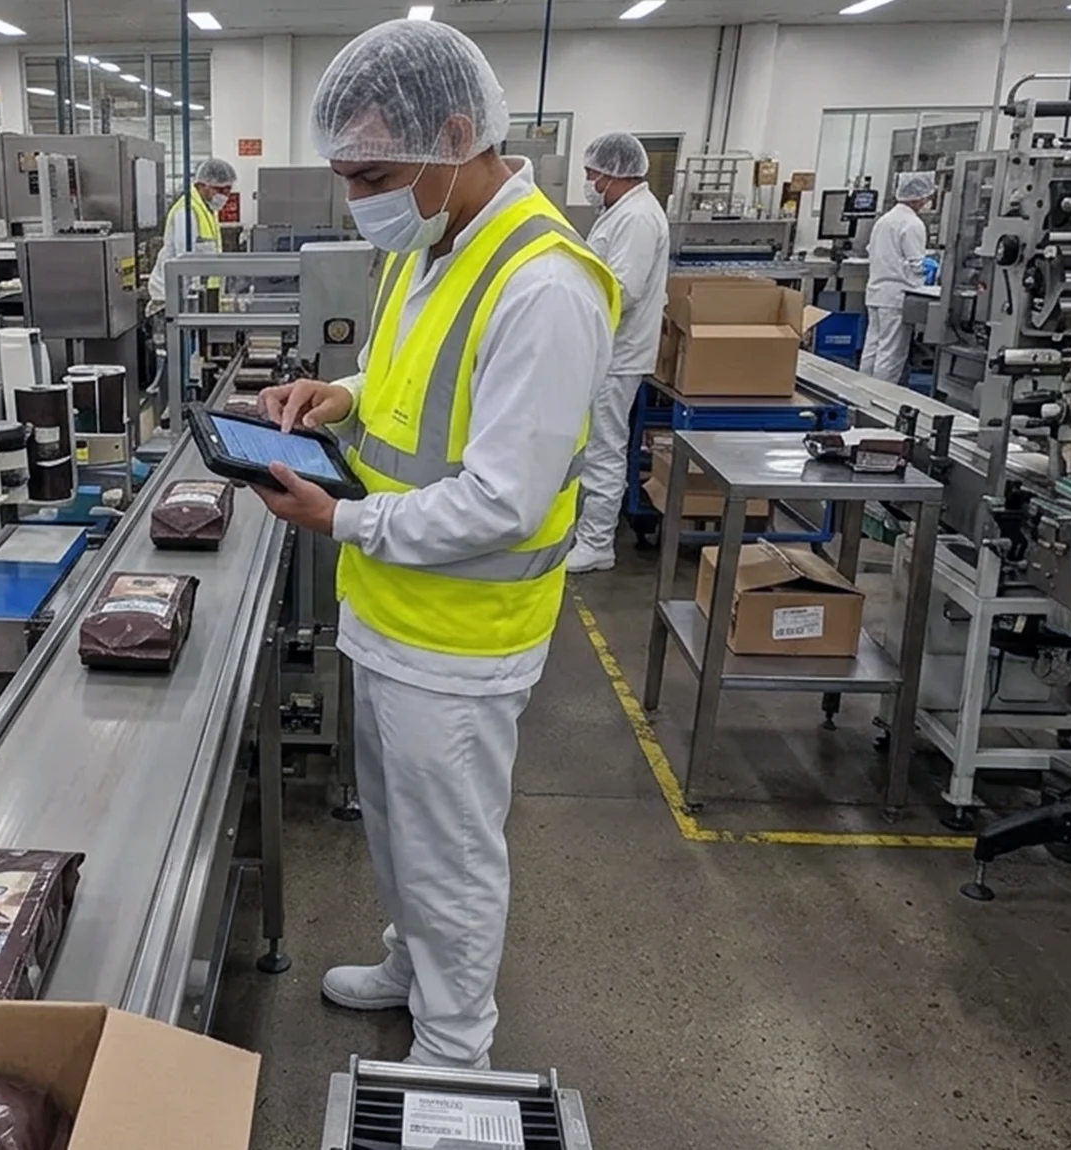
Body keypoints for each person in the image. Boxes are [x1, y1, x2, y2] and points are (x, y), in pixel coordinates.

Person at [252, 18, 618, 1070]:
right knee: (400, 836)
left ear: (456, 133)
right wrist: (342, 395)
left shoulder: (544, 285)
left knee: (450, 852)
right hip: (391, 611)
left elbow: (500, 500)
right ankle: (411, 968)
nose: (354, 196)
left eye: (370, 172)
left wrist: (339, 519)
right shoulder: (432, 241)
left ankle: (456, 1043)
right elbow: (414, 382)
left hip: (462, 638)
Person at [565, 131, 670, 574]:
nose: (588, 183)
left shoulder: (639, 218)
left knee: (605, 449)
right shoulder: (620, 212)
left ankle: (597, 543)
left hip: (619, 353)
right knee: (590, 445)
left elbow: (624, 289)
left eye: (592, 175)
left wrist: (570, 297)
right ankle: (585, 531)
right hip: (602, 350)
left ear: (613, 173)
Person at [863, 172, 935, 385]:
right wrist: (931, 267)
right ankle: (881, 399)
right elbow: (917, 264)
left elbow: (873, 251)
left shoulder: (884, 220)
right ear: (920, 197)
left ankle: (861, 392)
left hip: (876, 292)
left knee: (872, 346)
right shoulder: (913, 224)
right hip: (896, 296)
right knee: (891, 353)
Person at [148, 157, 235, 316]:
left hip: (197, 294)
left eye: (228, 190)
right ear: (202, 185)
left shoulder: (208, 209)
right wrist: (191, 302)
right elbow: (183, 261)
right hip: (175, 297)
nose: (225, 196)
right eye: (220, 190)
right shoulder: (187, 212)